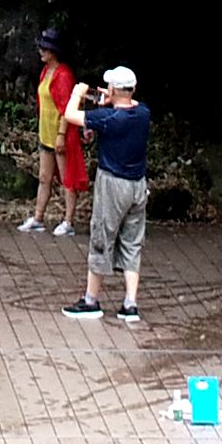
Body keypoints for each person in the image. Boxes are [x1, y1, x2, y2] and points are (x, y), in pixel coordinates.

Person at [61, 65, 150, 326]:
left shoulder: (108, 119)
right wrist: (110, 101)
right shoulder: (143, 113)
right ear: (132, 89)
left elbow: (70, 115)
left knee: (102, 235)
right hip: (137, 184)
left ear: (112, 89)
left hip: (113, 183)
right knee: (132, 241)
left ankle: (91, 300)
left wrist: (77, 94)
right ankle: (130, 304)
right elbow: (125, 107)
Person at [20, 29, 87, 238]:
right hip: (45, 132)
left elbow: (67, 108)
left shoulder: (63, 75)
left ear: (54, 51)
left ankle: (68, 221)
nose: (41, 51)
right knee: (44, 177)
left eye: (45, 48)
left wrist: (61, 134)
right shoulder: (46, 71)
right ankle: (38, 217)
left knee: (67, 179)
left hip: (61, 134)